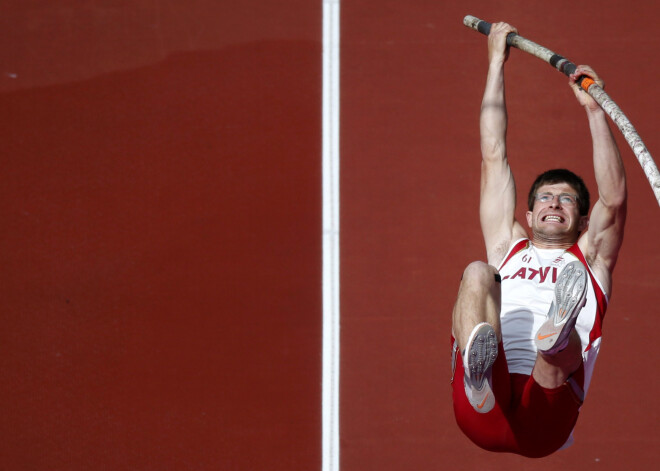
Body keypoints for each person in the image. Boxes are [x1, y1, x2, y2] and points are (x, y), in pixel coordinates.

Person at [450, 22, 627, 458]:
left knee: (555, 361)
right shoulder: (506, 247)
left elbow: (615, 196)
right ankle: (478, 374)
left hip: (544, 417)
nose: (554, 203)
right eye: (545, 197)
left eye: (566, 200)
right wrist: (495, 63)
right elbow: (494, 153)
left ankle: (554, 338)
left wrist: (594, 110)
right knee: (477, 272)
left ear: (583, 220)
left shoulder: (591, 259)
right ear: (527, 215)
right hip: (484, 406)